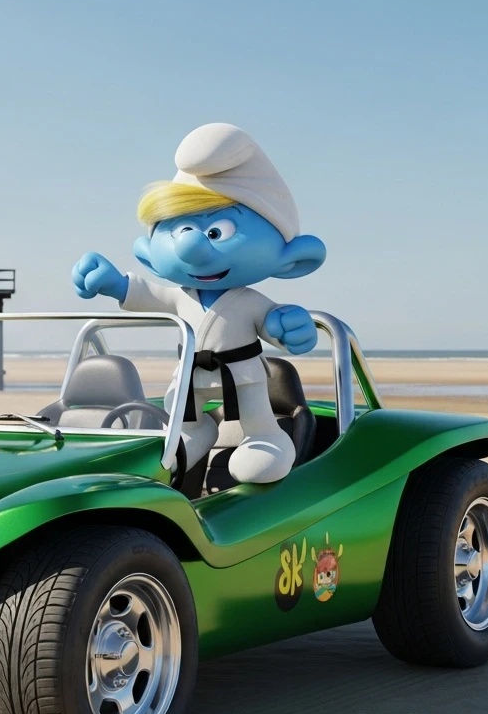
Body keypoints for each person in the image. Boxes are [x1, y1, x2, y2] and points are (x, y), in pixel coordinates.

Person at [71, 122, 326, 484]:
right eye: (180, 229)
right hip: (190, 377)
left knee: (256, 416)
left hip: (242, 376)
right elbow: (146, 294)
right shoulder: (179, 296)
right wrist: (114, 283)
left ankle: (265, 440)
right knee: (182, 419)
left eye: (217, 232)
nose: (191, 246)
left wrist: (287, 326)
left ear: (291, 259)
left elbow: (272, 322)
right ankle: (193, 435)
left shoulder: (248, 301)